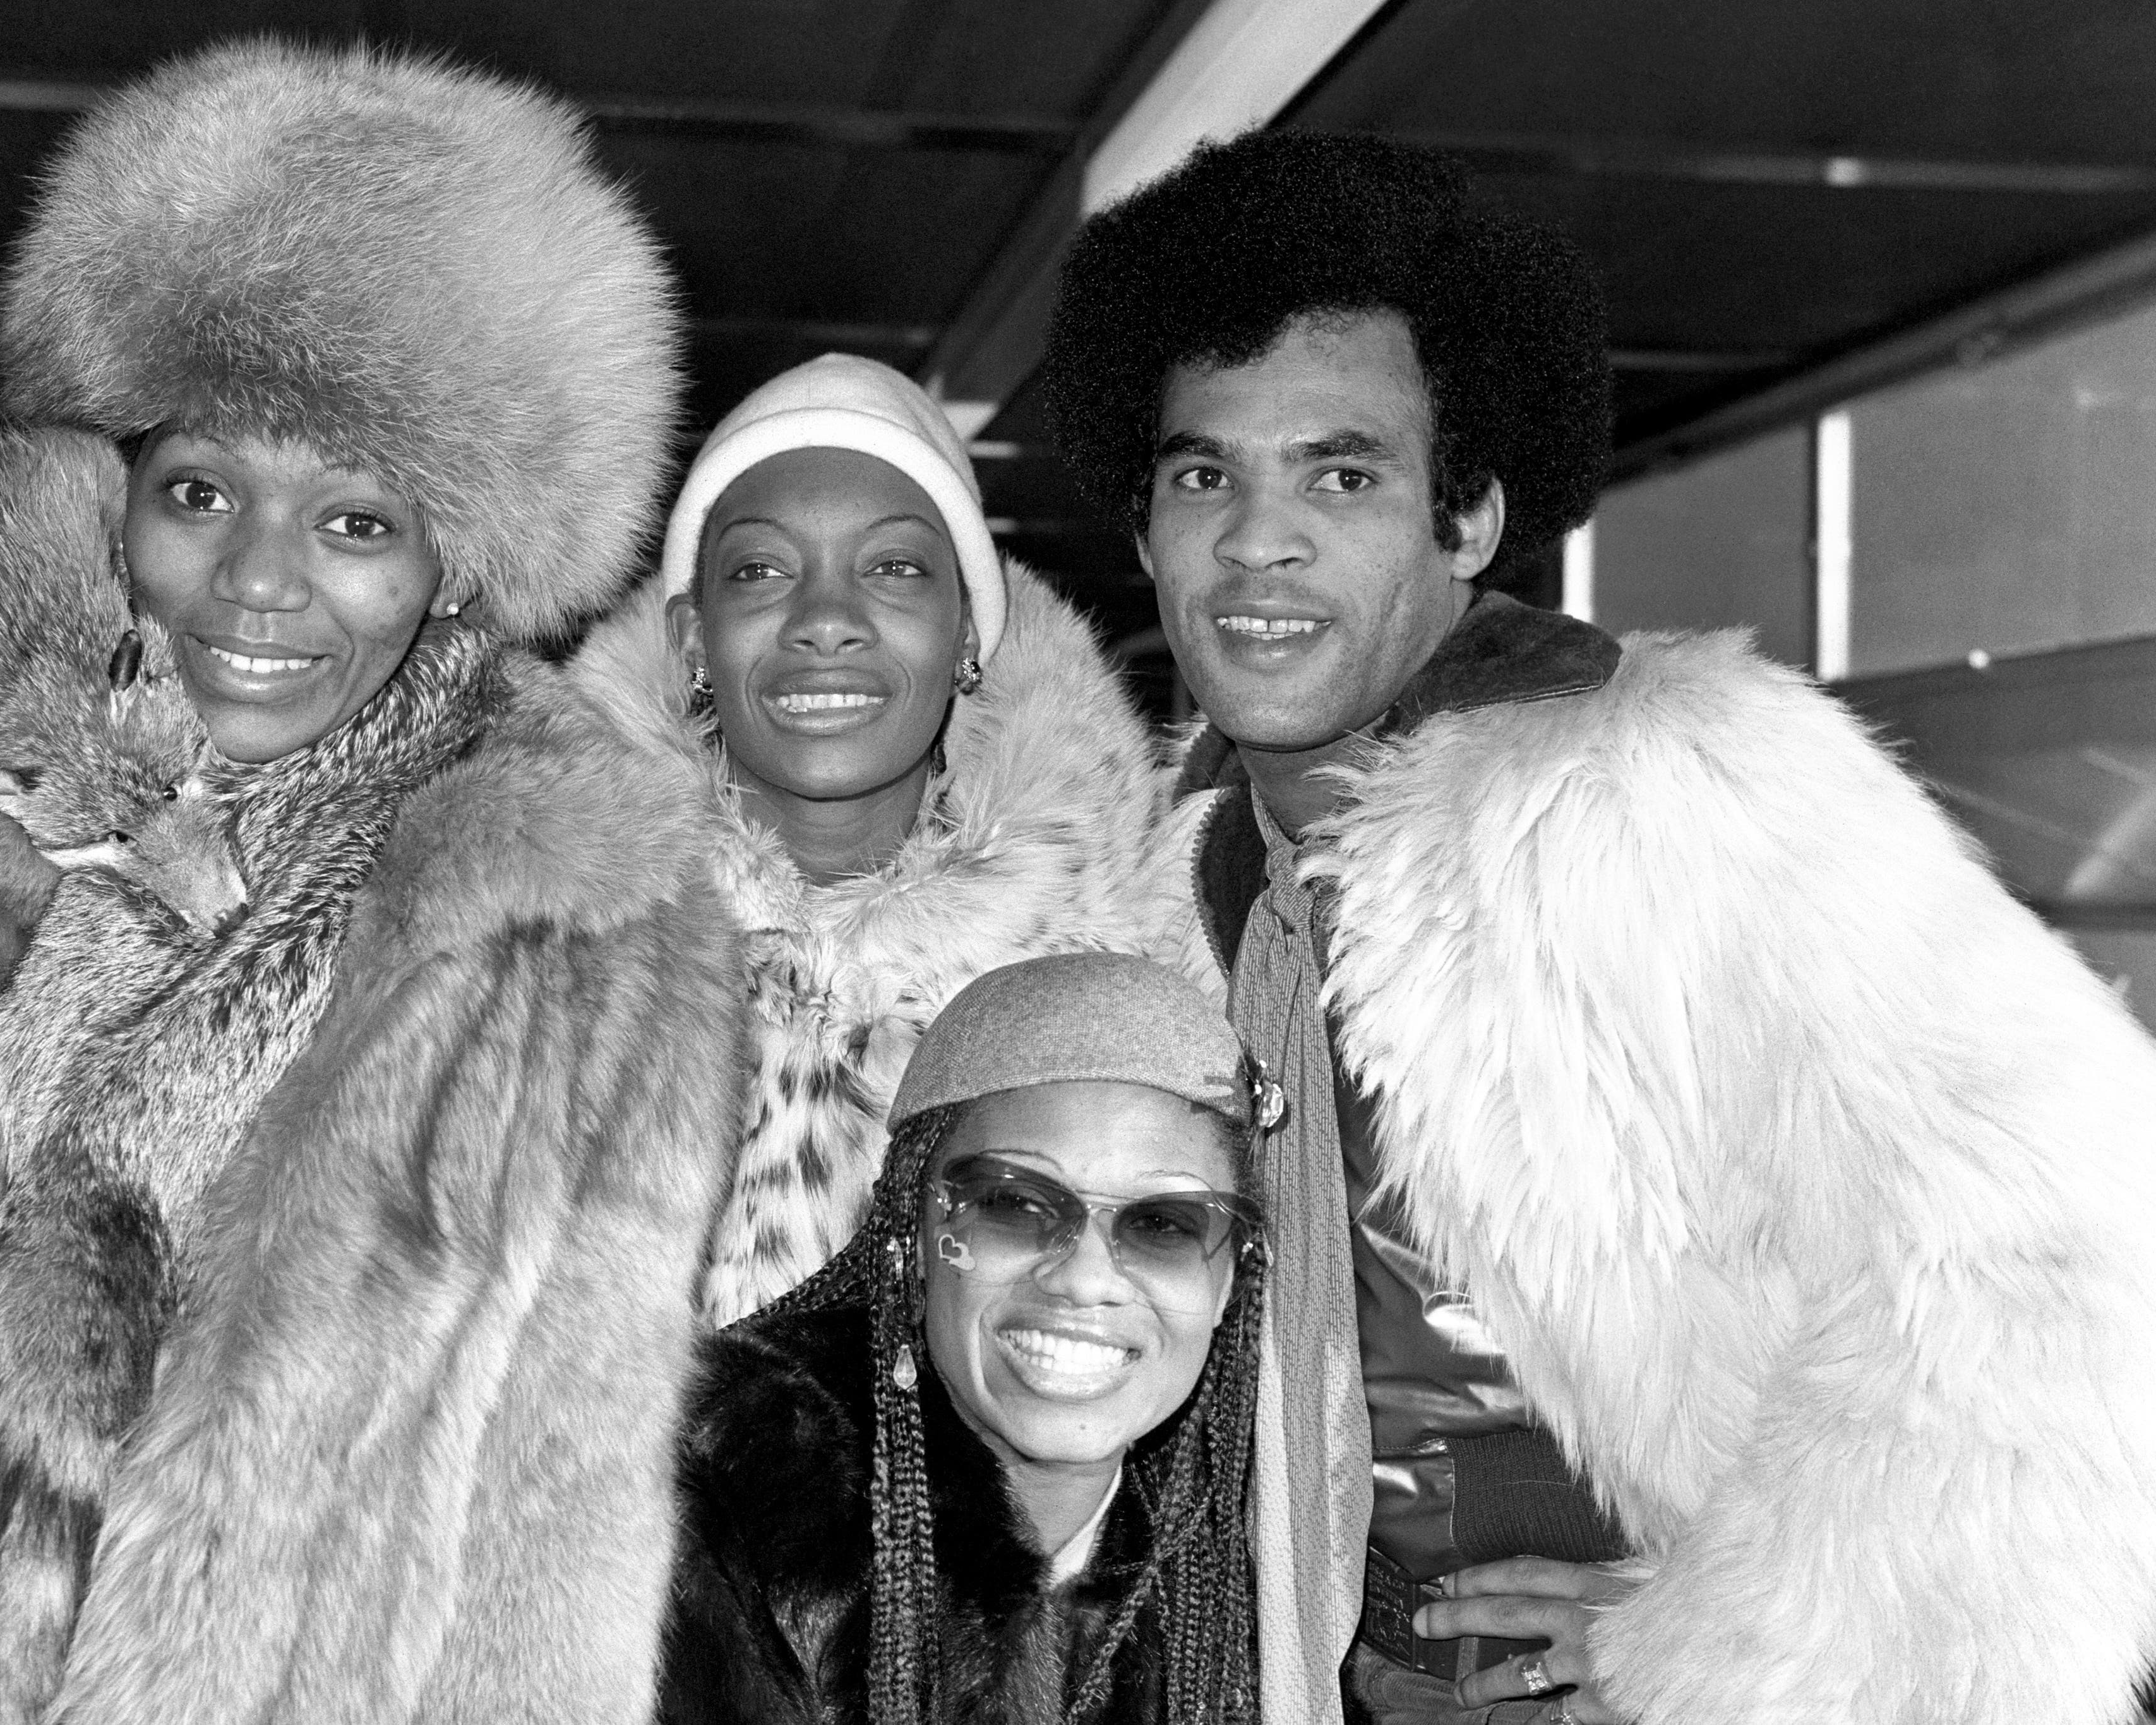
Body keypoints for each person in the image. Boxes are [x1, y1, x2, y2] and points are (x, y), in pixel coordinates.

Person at [0, 41, 741, 1724]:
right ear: (114, 487)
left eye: (356, 520)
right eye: (203, 489)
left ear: (457, 565)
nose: (259, 578)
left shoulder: (582, 931)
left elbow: (554, 1533)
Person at [1038, 126, 2156, 1725]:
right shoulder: (1187, 884)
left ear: (1470, 515)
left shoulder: (1683, 792)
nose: (1258, 539)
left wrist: (1731, 1640)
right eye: (1204, 473)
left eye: (1342, 475)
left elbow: (2083, 1244)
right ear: (1143, 530)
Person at [568, 354, 1198, 1325]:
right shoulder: (534, 957)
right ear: (694, 638)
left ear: (967, 638)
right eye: (762, 569)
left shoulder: (1120, 986)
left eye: (894, 568)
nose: (826, 620)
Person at [659, 951, 1278, 1724]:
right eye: (1014, 1206)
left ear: (1227, 1284)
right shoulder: (721, 1476)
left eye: (1163, 1226)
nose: (1087, 1280)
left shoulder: (1242, 1553)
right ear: (911, 1236)